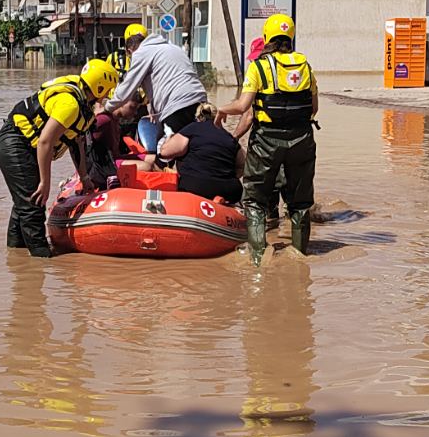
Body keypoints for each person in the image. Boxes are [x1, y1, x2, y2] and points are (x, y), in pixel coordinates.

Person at [217, 14, 317, 264]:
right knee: (301, 201)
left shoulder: (259, 66)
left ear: (266, 38)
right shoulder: (305, 65)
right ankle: (300, 255)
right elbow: (314, 108)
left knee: (254, 200)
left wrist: (221, 110)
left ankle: (258, 256)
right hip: (302, 139)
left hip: (266, 141)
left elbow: (243, 106)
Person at [0, 59, 119, 257]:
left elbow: (76, 142)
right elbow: (45, 142)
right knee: (34, 204)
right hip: (15, 143)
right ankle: (41, 261)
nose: (107, 97)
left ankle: (16, 258)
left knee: (25, 205)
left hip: (26, 146)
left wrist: (84, 177)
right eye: (107, 91)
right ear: (99, 87)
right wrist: (45, 183)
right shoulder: (70, 104)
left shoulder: (83, 106)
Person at [105, 25, 207, 153]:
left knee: (163, 151)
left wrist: (106, 108)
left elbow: (127, 88)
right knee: (195, 144)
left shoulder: (141, 53)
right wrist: (155, 111)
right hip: (201, 102)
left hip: (177, 106)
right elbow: (163, 81)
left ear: (130, 50)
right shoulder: (172, 47)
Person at [159, 102, 243, 203]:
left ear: (197, 117)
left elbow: (165, 152)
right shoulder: (229, 137)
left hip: (195, 185)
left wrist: (169, 137)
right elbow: (242, 166)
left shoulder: (192, 128)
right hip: (230, 189)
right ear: (217, 117)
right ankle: (219, 202)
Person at [108, 24, 158, 152]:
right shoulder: (114, 59)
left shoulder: (151, 59)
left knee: (143, 145)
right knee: (115, 143)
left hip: (140, 108)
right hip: (119, 107)